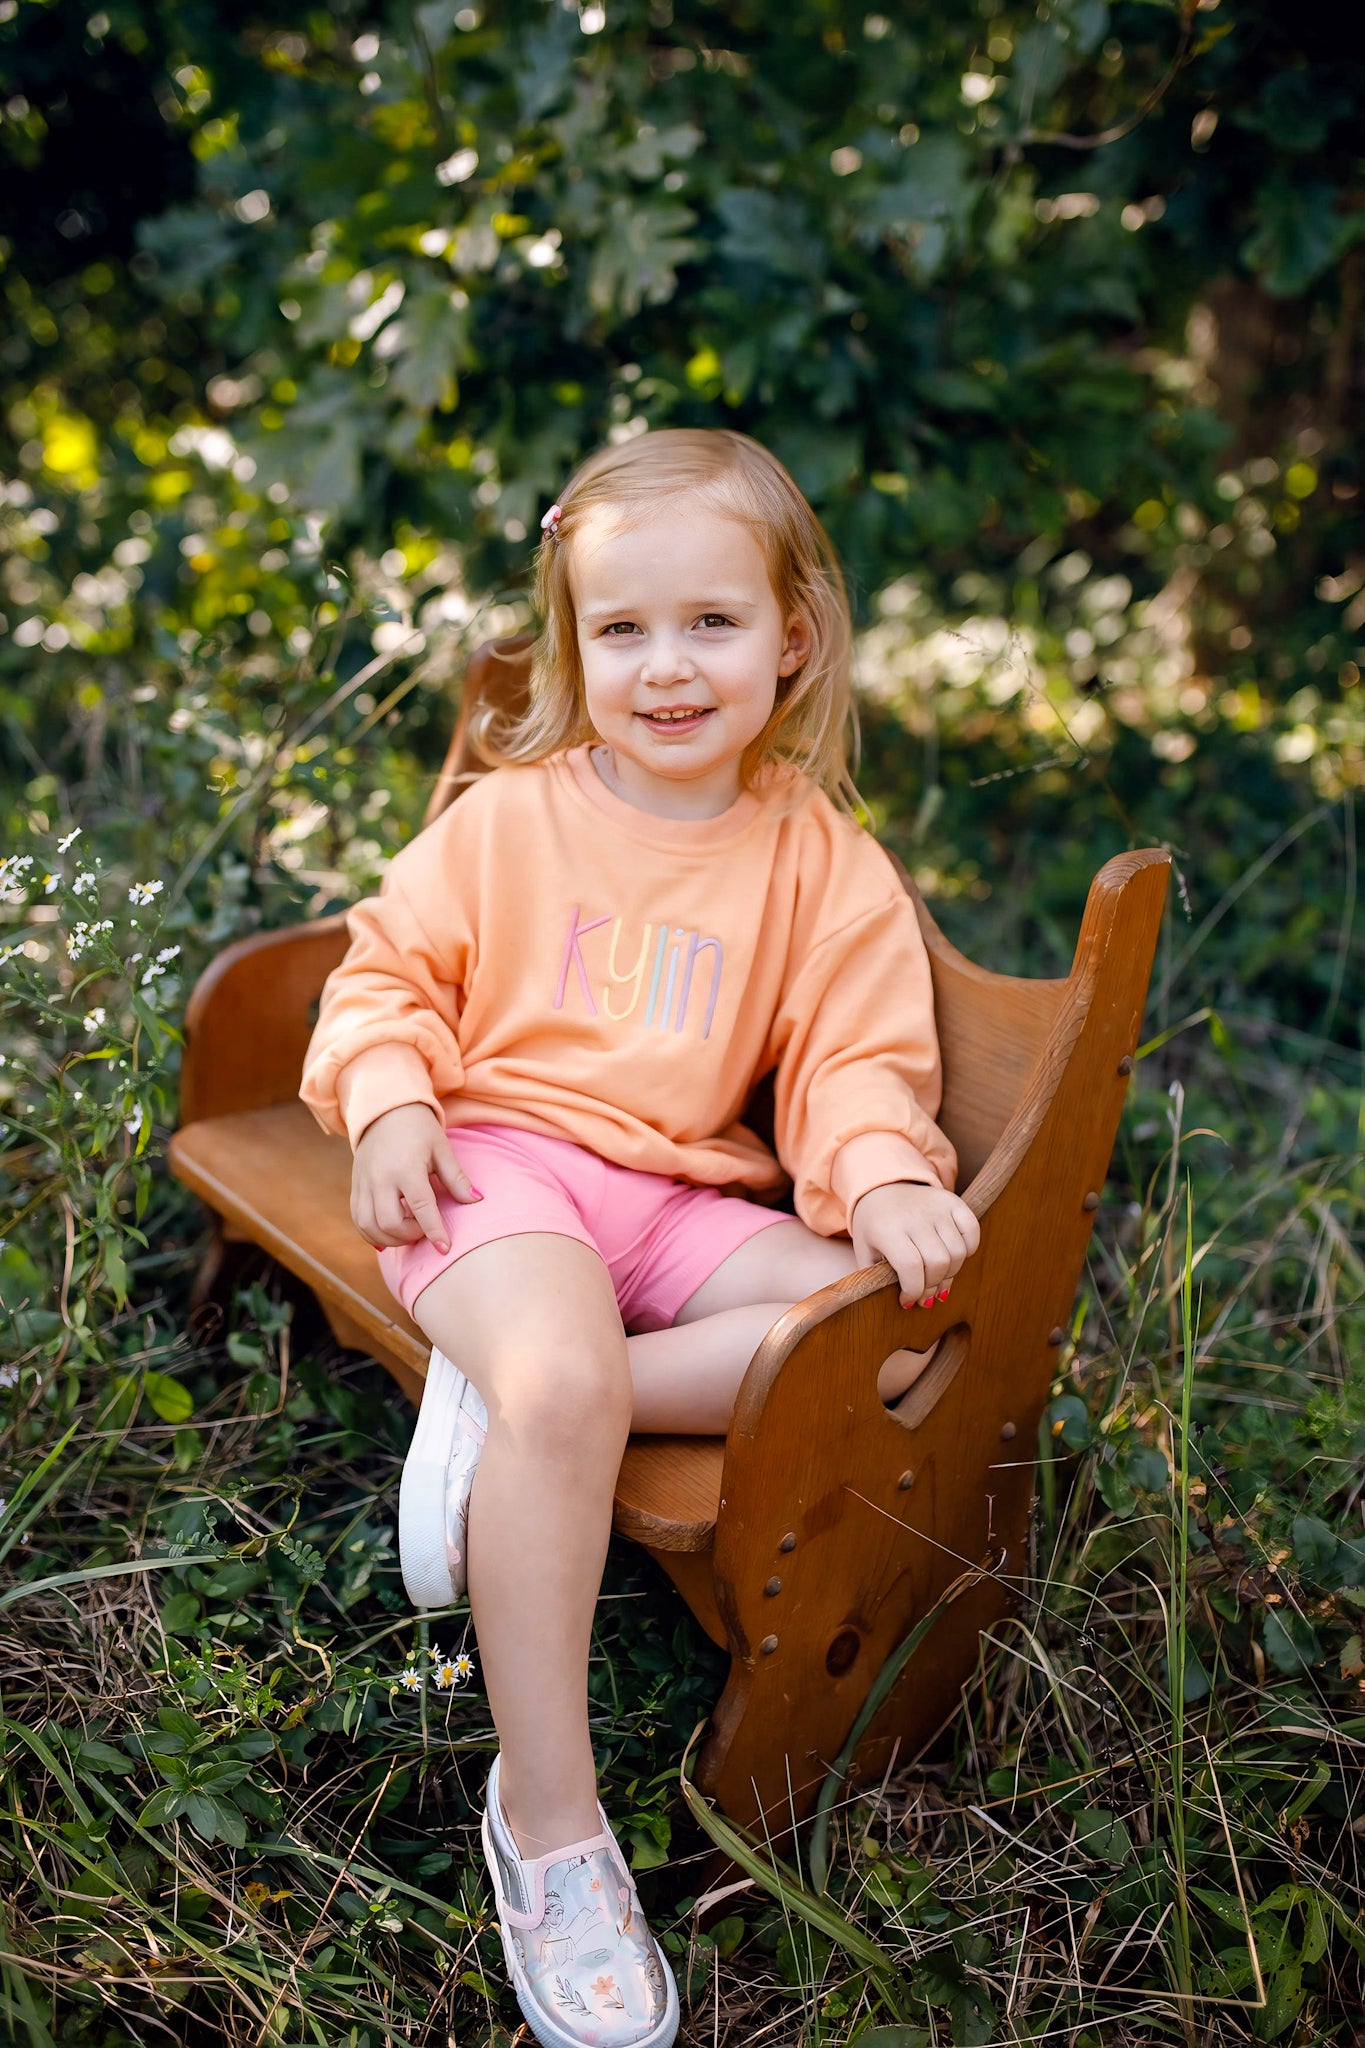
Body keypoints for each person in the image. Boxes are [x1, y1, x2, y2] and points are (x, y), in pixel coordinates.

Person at [300, 427, 980, 2048]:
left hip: (674, 1199)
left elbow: (853, 1062)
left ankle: (528, 1407)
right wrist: (390, 1100)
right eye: (622, 630)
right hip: (496, 1175)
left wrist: (882, 1173)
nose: (666, 667)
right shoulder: (510, 823)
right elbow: (383, 978)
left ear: (790, 637)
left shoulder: (820, 858)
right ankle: (548, 1824)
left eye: (710, 624)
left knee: (888, 1335)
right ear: (574, 646)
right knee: (566, 1369)